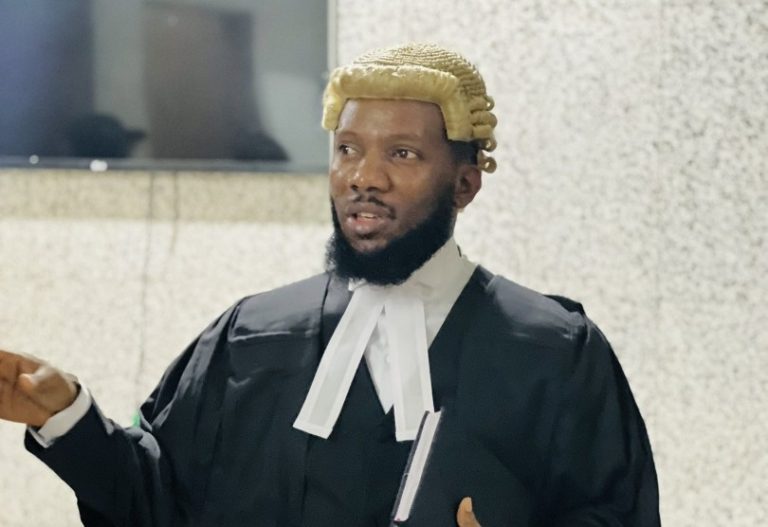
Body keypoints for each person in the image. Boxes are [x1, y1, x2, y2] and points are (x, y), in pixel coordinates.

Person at [0, 43, 660, 526]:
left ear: (464, 184)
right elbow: (157, 501)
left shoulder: (554, 351)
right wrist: (69, 417)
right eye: (347, 149)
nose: (363, 177)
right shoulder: (252, 336)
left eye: (402, 153)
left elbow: (617, 514)